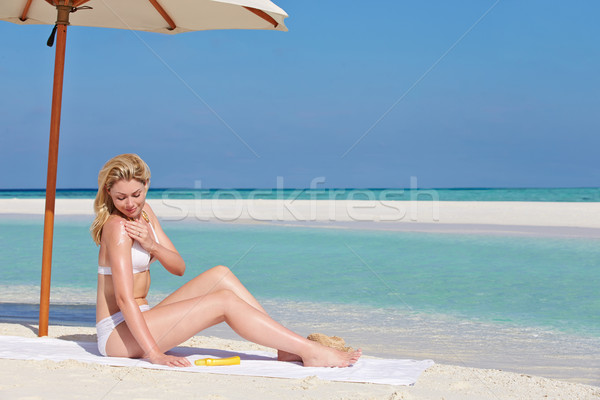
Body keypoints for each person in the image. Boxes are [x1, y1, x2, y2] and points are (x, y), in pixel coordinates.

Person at [91, 153, 361, 368]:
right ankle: (310, 351)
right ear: (108, 193)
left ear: (146, 185)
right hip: (118, 334)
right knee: (223, 302)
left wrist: (152, 245)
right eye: (120, 197)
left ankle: (285, 347)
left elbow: (178, 268)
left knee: (220, 275)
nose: (129, 204)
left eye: (136, 195)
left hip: (143, 318)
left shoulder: (145, 213)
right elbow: (125, 300)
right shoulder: (116, 228)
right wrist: (154, 354)